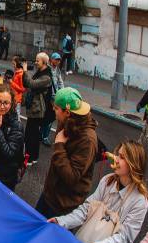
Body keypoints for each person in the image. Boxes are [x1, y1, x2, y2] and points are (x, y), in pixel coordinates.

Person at [52, 140, 148, 243]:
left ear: (134, 164)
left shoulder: (140, 202)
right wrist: (61, 221)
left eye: (122, 157)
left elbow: (124, 238)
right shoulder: (107, 180)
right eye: (118, 154)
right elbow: (86, 210)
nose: (116, 159)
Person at [34, 87, 99, 218]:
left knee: (50, 238)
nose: (53, 110)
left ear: (68, 112)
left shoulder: (87, 140)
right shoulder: (66, 122)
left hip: (63, 206)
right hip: (50, 195)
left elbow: (72, 177)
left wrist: (59, 146)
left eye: (57, 108)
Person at [22, 53, 53, 163]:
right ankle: (32, 157)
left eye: (37, 61)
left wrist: (25, 71)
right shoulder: (40, 72)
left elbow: (31, 84)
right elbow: (27, 83)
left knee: (32, 134)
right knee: (32, 133)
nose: (35, 62)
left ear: (44, 62)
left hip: (38, 109)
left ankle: (30, 158)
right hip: (34, 107)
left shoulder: (47, 77)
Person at [43, 53, 65, 145]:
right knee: (46, 117)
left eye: (59, 60)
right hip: (47, 97)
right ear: (51, 59)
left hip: (55, 98)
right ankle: (43, 136)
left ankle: (44, 136)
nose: (58, 61)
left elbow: (60, 82)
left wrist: (63, 93)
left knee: (51, 118)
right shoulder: (47, 69)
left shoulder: (58, 70)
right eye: (56, 59)